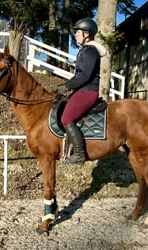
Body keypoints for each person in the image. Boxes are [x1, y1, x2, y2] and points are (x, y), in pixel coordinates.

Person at [53, 18, 107, 164]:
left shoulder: (90, 51)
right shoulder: (84, 50)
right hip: (82, 90)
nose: (75, 35)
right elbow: (79, 76)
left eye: (77, 32)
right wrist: (66, 86)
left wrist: (67, 86)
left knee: (66, 119)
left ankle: (79, 155)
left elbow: (85, 76)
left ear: (86, 34)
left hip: (88, 92)